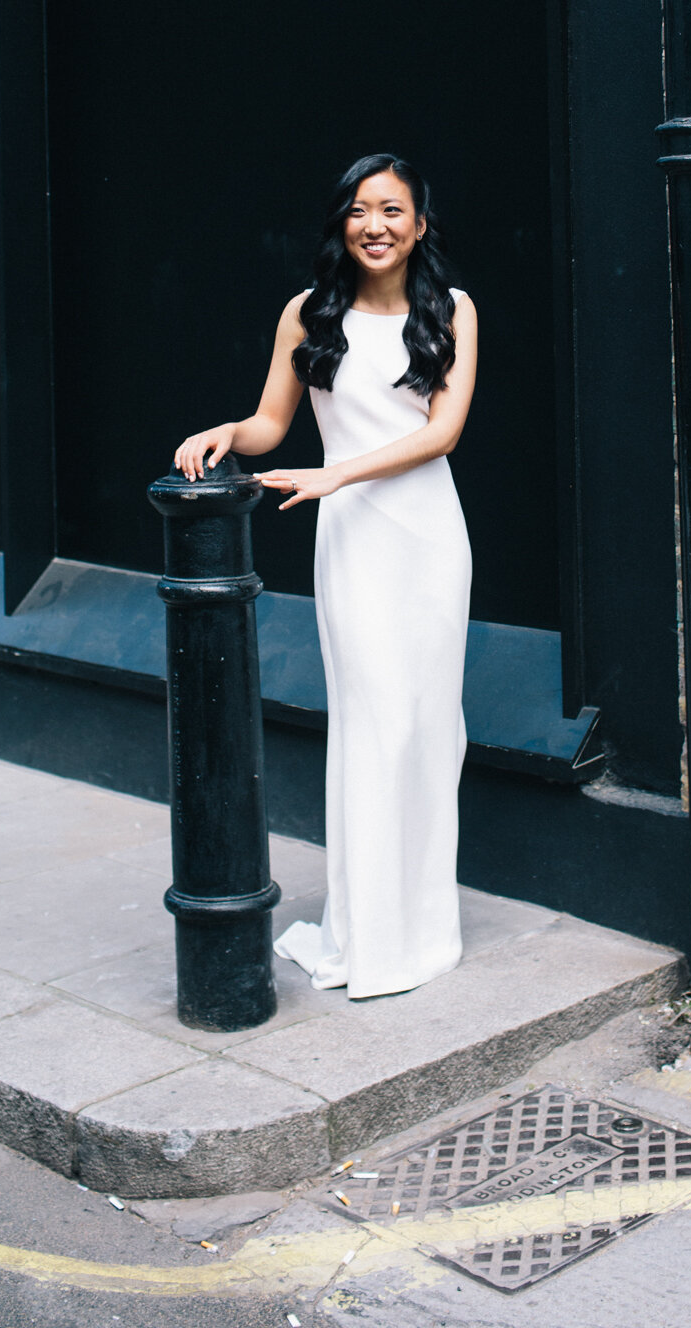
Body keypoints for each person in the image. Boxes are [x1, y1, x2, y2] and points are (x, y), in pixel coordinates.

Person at [174, 154, 477, 999]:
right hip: (351, 539)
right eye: (357, 210)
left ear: (419, 225)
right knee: (372, 723)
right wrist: (224, 433)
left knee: (428, 728)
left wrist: (335, 473)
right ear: (341, 225)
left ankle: (420, 928)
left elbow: (442, 432)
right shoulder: (307, 315)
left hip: (426, 535)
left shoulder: (452, 310)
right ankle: (368, 935)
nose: (373, 225)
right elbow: (273, 424)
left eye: (391, 209)